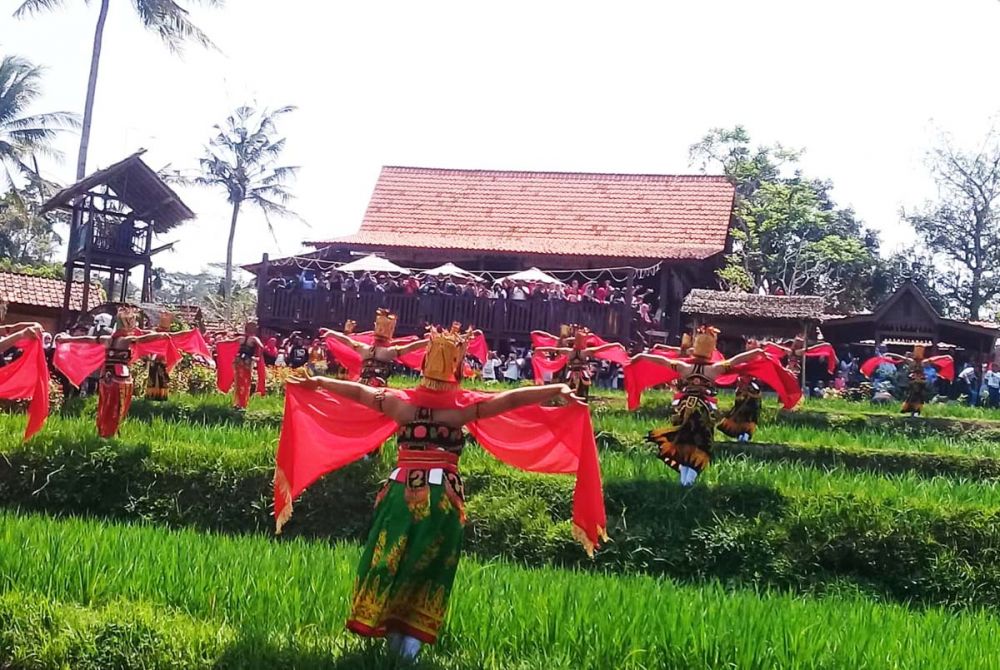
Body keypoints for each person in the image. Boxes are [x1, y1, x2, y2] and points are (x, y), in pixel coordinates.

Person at [277, 326, 605, 660]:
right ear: (457, 368)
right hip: (441, 498)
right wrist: (558, 387)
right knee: (428, 566)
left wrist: (319, 382)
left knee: (390, 561)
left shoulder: (399, 403)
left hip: (399, 493)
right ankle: (408, 646)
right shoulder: (462, 408)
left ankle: (389, 636)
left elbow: (359, 393)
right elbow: (512, 398)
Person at [630, 326, 767, 486]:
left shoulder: (684, 367)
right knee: (701, 445)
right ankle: (687, 483)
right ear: (711, 350)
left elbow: (663, 361)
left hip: (684, 409)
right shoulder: (715, 369)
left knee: (681, 443)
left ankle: (684, 482)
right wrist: (757, 353)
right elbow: (737, 360)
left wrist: (642, 356)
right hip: (703, 410)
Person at [54, 307, 172, 437]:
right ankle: (110, 433)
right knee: (116, 408)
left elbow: (87, 339)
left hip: (106, 377)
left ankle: (105, 432)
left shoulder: (107, 339)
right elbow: (143, 339)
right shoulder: (124, 340)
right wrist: (161, 333)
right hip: (119, 378)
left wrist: (67, 339)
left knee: (106, 406)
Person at [320, 309, 428, 387]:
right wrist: (429, 341)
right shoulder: (389, 352)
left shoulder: (364, 349)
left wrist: (331, 333)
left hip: (361, 385)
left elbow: (347, 341)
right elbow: (412, 347)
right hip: (378, 388)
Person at [532, 325, 625, 402]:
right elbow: (603, 348)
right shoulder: (586, 351)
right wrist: (616, 344)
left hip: (572, 374)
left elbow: (553, 349)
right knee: (581, 395)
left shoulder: (568, 351)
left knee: (572, 394)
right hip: (581, 374)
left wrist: (538, 349)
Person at [718, 339, 764, 442]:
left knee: (750, 416)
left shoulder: (761, 359)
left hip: (753, 393)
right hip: (741, 392)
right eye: (748, 343)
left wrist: (752, 380)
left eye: (751, 343)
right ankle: (740, 435)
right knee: (738, 414)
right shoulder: (742, 359)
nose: (748, 345)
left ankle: (746, 435)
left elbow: (762, 377)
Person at [217, 322, 265, 410]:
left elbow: (228, 342)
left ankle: (237, 403)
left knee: (238, 382)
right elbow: (261, 346)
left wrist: (219, 342)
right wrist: (257, 356)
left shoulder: (241, 338)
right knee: (246, 383)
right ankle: (242, 403)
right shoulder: (254, 338)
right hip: (247, 362)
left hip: (238, 361)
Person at [145, 312, 174, 401]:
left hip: (163, 360)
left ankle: (162, 397)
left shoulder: (169, 336)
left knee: (162, 379)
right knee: (153, 378)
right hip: (154, 359)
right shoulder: (155, 335)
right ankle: (151, 396)